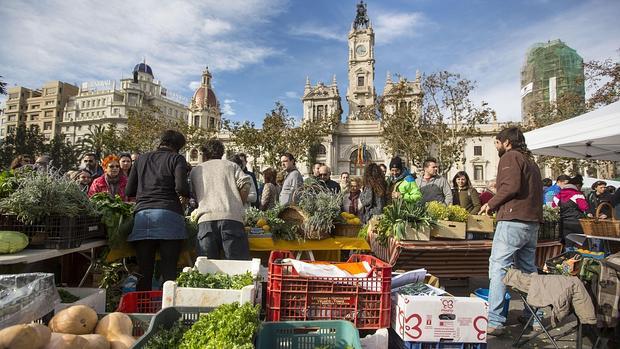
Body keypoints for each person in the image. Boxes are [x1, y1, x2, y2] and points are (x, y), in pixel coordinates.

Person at [479, 126, 543, 336]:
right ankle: (535, 317)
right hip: (531, 222)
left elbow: (510, 186)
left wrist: (491, 203)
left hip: (513, 220)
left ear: (507, 142)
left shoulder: (510, 156)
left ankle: (495, 321)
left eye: (497, 143)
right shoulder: (531, 162)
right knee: (527, 269)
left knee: (499, 268)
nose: (497, 147)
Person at [125, 130, 190, 291]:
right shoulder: (177, 158)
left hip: (142, 217)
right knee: (169, 271)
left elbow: (129, 191)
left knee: (144, 270)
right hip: (169, 217)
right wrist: (187, 194)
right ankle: (167, 309)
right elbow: (181, 188)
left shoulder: (141, 159)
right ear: (178, 147)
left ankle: (141, 309)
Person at [190, 139, 251, 260]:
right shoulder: (231, 166)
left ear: (204, 154)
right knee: (237, 269)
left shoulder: (196, 170)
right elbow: (246, 185)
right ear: (222, 153)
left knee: (207, 271)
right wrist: (238, 203)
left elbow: (194, 195)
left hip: (205, 221)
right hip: (232, 220)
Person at [551, 174, 588, 248]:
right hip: (577, 222)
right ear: (577, 185)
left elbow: (553, 207)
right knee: (582, 244)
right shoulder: (578, 194)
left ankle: (569, 256)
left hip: (564, 222)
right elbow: (584, 207)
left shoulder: (557, 195)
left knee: (568, 244)